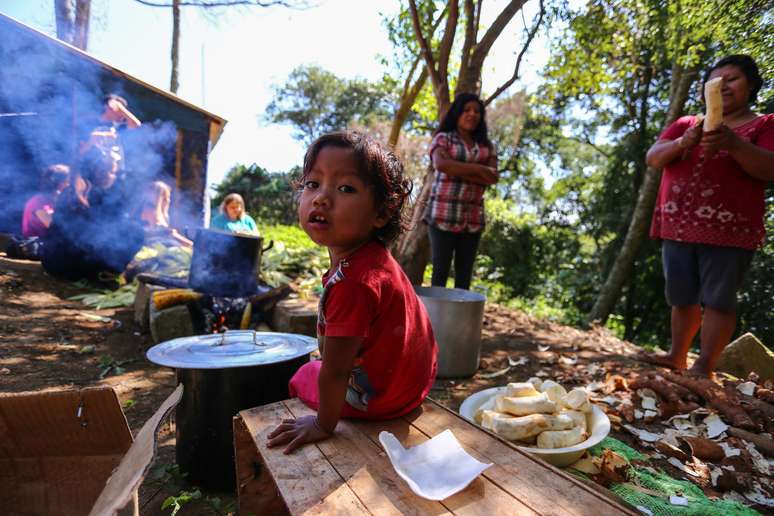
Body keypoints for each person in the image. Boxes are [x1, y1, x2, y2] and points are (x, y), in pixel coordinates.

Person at [266, 131, 438, 453]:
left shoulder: (353, 283)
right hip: (413, 387)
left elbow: (336, 371)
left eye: (345, 188)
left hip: (380, 401)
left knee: (303, 373)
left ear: (382, 213)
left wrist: (322, 423)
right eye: (312, 184)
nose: (321, 198)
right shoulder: (374, 259)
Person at [640, 54, 774, 377]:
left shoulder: (766, 124)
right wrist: (684, 142)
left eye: (733, 79)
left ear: (751, 85)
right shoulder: (686, 123)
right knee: (681, 296)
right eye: (716, 80)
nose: (723, 85)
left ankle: (704, 365)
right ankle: (676, 355)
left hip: (730, 230)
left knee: (718, 299)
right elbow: (653, 158)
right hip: (677, 226)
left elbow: (770, 168)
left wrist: (733, 143)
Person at [425, 92, 498, 290]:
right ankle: (434, 320)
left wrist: (456, 168)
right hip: (442, 214)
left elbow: (493, 177)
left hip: (473, 219)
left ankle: (460, 320)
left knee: (464, 274)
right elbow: (441, 165)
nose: (472, 114)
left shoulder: (486, 146)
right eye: (466, 110)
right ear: (457, 113)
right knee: (439, 272)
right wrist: (480, 169)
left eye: (476, 111)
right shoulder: (443, 139)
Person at [41, 147, 145, 281]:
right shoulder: (98, 196)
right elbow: (114, 230)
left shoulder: (69, 191)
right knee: (136, 232)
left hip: (52, 262)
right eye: (112, 172)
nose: (114, 176)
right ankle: (106, 273)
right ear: (100, 173)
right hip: (73, 265)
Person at [79, 93, 142, 168]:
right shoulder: (89, 124)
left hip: (114, 174)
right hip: (90, 172)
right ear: (107, 107)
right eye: (119, 110)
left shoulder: (119, 127)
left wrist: (120, 107)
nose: (122, 114)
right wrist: (92, 140)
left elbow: (136, 124)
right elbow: (79, 153)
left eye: (123, 111)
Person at [21, 164, 70, 239]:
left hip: (49, 246)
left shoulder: (54, 200)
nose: (68, 185)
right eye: (66, 182)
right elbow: (52, 226)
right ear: (58, 182)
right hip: (37, 248)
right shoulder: (38, 201)